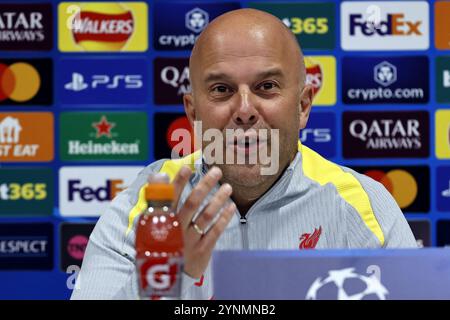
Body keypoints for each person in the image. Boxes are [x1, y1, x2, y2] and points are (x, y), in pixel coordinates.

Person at [71, 8, 417, 300]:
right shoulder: (147, 206)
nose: (245, 109)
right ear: (193, 113)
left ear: (302, 106)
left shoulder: (360, 205)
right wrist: (165, 283)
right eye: (221, 90)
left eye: (266, 87)